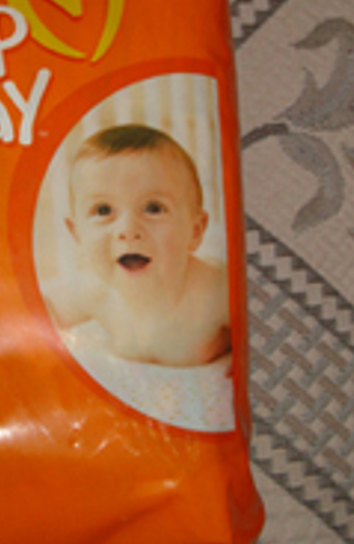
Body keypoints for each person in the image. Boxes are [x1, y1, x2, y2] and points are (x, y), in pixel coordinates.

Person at [48, 124, 230, 369]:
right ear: (77, 233)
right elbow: (41, 311)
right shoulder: (94, 292)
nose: (128, 230)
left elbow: (262, 316)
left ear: (196, 231)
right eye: (103, 210)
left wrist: (245, 353)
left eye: (153, 208)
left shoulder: (215, 292)